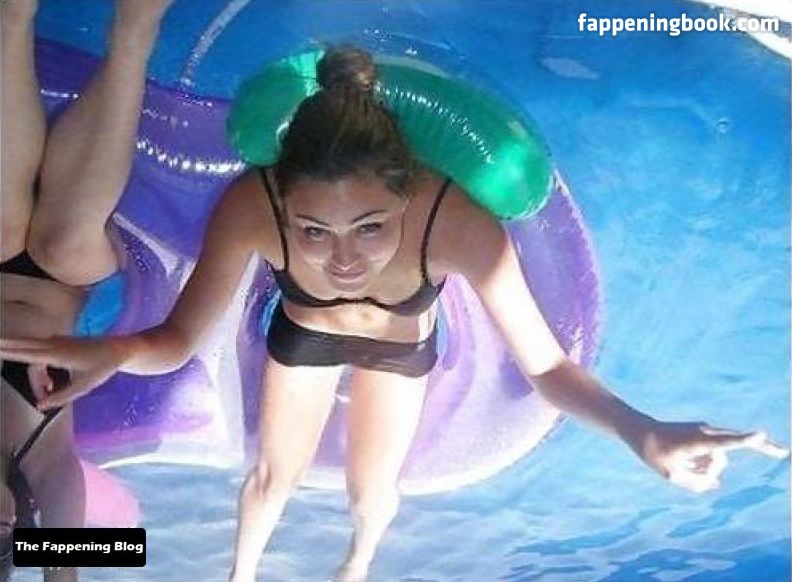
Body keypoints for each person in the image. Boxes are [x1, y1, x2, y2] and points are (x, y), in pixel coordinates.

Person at [1, 46, 788, 582]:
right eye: (314, 231)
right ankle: (241, 572)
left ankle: (357, 564)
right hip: (305, 334)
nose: (343, 258)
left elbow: (546, 366)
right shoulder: (254, 206)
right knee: (271, 477)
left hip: (401, 346)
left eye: (371, 227)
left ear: (407, 195)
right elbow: (177, 339)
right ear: (285, 202)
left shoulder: (457, 225)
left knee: (372, 494)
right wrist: (114, 352)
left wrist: (639, 429)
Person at [0, 0, 173, 580]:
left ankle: (11, 17)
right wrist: (52, 559)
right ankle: (135, 30)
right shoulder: (43, 465)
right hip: (71, 281)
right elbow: (121, 550)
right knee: (64, 243)